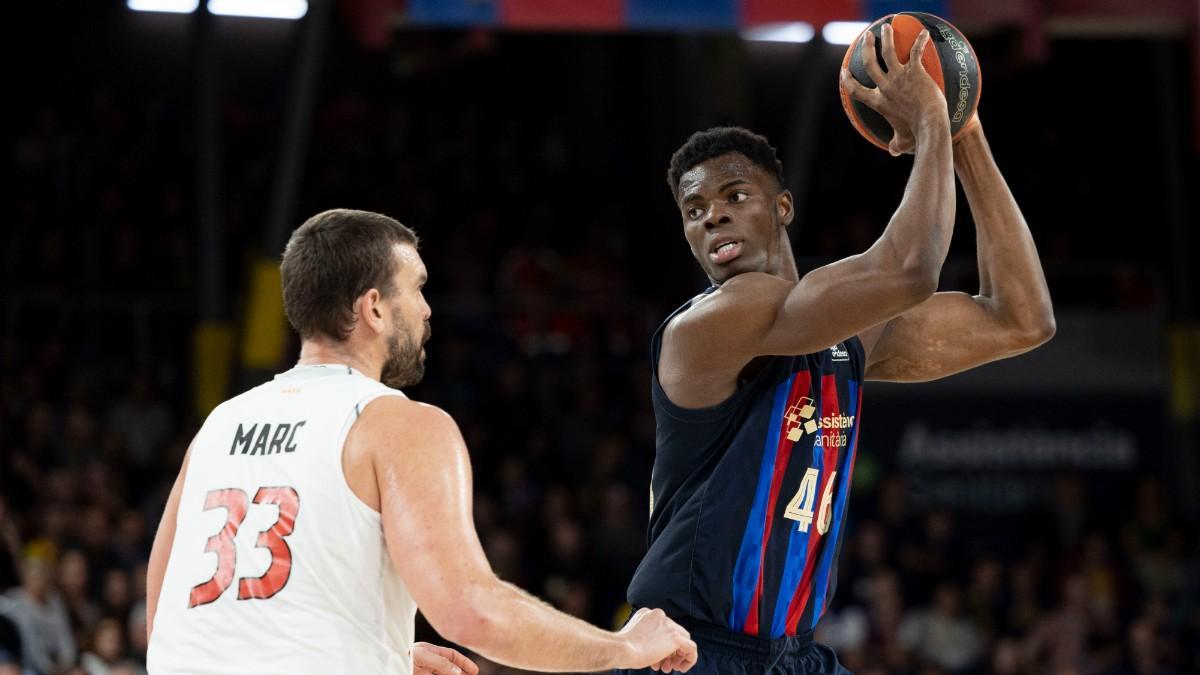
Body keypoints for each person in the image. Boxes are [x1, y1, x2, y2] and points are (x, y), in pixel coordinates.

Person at [621, 25, 1054, 675]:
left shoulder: (846, 334)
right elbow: (912, 268)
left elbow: (1021, 317)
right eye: (693, 208)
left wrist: (966, 133)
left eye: (734, 195)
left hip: (792, 655)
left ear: (782, 207)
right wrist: (933, 116)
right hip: (690, 652)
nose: (711, 216)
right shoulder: (709, 325)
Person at [146, 209, 698, 674]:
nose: (428, 308)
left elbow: (167, 615)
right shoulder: (397, 424)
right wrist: (624, 645)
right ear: (374, 308)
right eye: (417, 288)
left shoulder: (218, 425)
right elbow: (471, 612)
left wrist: (376, 654)